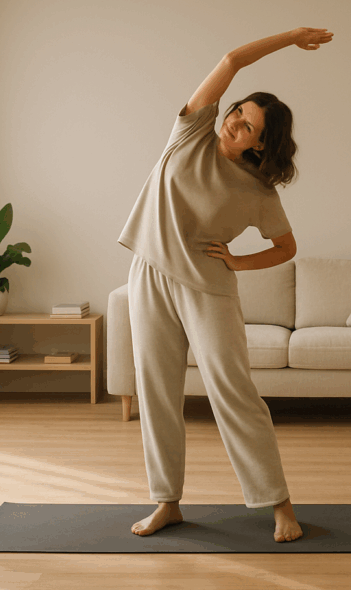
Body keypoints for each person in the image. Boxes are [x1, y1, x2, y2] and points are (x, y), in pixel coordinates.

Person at [117, 27, 334, 542]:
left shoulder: (257, 189)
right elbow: (233, 59)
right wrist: (291, 38)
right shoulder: (190, 132)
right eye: (238, 112)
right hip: (148, 275)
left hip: (207, 288)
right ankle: (166, 501)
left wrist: (237, 263)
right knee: (157, 392)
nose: (236, 123)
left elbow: (286, 248)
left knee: (233, 393)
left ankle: (277, 503)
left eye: (250, 126)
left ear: (262, 142)